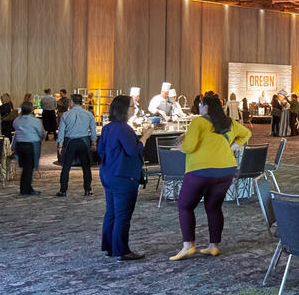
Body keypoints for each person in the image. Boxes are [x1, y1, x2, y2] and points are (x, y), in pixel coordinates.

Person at [170, 93, 252, 260]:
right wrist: (231, 147)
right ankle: (213, 246)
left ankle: (188, 246)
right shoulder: (229, 122)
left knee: (185, 206)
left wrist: (181, 146)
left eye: (200, 105)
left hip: (200, 170)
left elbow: (189, 147)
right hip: (226, 170)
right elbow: (246, 134)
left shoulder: (198, 122)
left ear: (205, 106)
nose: (199, 108)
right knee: (214, 207)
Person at [98, 95, 152, 261]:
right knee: (123, 215)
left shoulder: (108, 128)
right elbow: (133, 150)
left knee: (111, 213)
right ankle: (122, 250)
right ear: (123, 109)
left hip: (108, 174)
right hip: (123, 176)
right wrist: (146, 135)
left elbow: (100, 151)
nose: (133, 109)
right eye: (131, 107)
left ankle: (110, 247)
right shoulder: (124, 129)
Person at [56, 93, 97, 198]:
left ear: (72, 102)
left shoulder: (65, 115)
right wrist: (93, 143)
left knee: (66, 167)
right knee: (86, 167)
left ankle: (63, 190)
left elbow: (61, 132)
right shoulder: (89, 114)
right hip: (84, 142)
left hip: (70, 142)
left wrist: (60, 146)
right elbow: (93, 130)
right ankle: (88, 189)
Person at [11, 102, 45, 196]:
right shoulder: (35, 121)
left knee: (25, 168)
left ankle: (26, 187)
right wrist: (42, 139)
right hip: (31, 145)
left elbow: (15, 129)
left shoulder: (17, 120)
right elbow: (41, 133)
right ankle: (26, 190)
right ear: (31, 110)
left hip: (19, 145)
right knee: (29, 168)